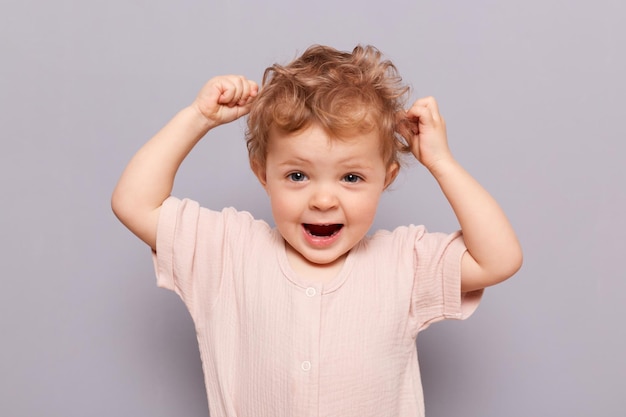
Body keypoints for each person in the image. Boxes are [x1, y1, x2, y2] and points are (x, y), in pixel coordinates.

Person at [111, 44, 522, 417]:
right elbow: (134, 203)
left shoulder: (405, 263)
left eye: (352, 178)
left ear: (386, 178)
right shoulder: (227, 252)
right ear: (263, 175)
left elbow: (499, 259)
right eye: (297, 175)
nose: (323, 200)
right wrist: (197, 117)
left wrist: (441, 163)